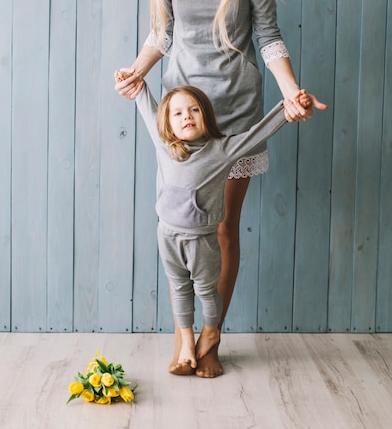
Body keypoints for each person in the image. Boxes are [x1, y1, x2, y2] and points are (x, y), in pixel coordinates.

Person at [115, 0, 327, 378]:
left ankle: (212, 337)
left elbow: (269, 38)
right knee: (180, 224)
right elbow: (162, 34)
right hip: (184, 117)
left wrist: (291, 91)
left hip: (235, 111)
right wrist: (137, 69)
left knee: (222, 228)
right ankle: (183, 338)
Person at [116, 72, 311, 371]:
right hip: (167, 236)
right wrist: (135, 81)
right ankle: (185, 344)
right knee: (179, 288)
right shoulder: (165, 146)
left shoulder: (221, 150)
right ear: (168, 123)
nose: (187, 117)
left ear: (205, 115)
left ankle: (211, 332)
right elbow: (145, 101)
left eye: (194, 110)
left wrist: (289, 108)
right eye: (178, 113)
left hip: (201, 241)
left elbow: (258, 133)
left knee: (206, 292)